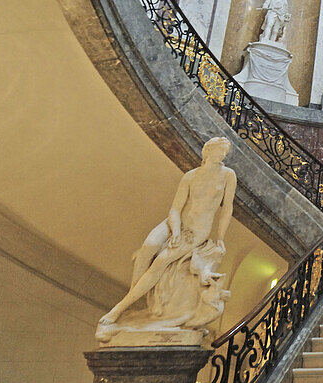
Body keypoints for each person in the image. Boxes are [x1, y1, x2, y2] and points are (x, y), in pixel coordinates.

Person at [98, 136, 237, 329]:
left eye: (224, 152)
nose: (222, 155)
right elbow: (175, 209)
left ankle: (119, 309)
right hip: (175, 222)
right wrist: (176, 231)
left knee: (161, 261)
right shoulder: (190, 176)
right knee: (147, 248)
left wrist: (220, 237)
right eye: (219, 151)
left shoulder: (228, 175)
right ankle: (134, 293)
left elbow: (227, 208)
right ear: (207, 152)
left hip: (197, 231)